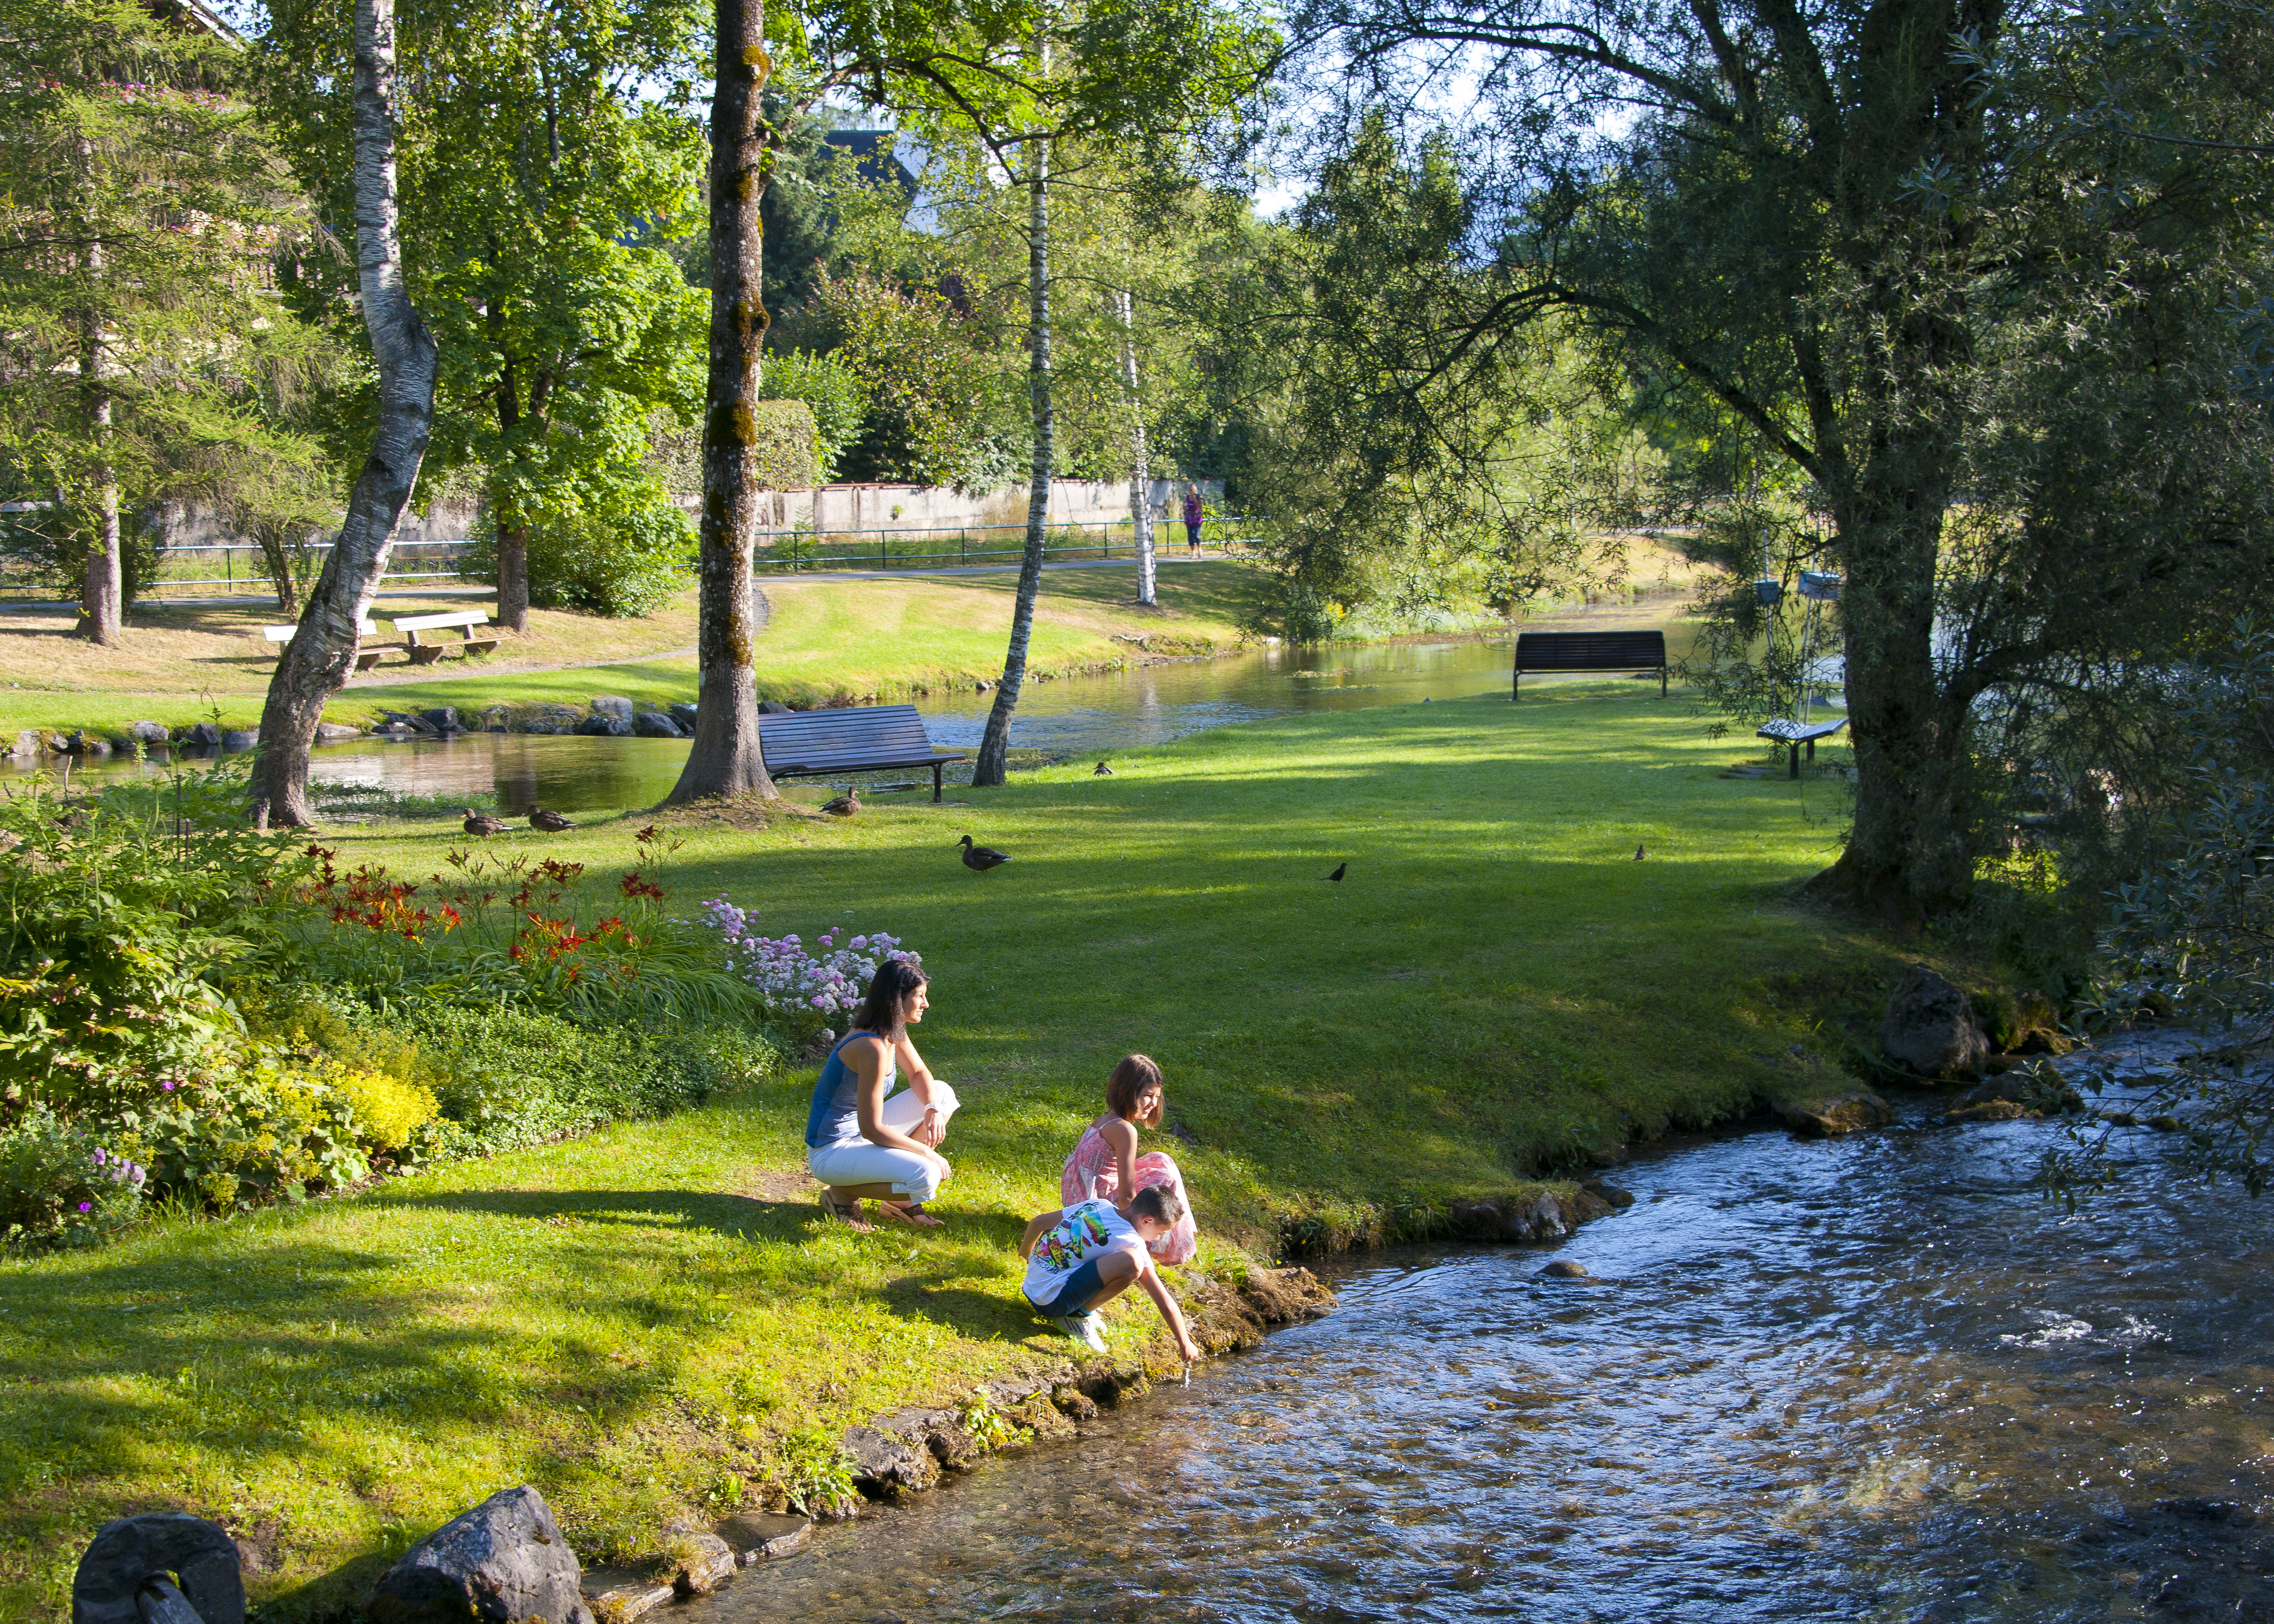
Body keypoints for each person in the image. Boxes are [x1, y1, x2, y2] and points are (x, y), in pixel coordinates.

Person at [805, 957, 958, 1230]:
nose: (926, 1004)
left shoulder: (890, 1030)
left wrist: (933, 1107)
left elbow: (918, 1073)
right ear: (898, 1000)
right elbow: (872, 1130)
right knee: (926, 1175)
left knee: (942, 1093)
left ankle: (897, 1203)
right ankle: (842, 1193)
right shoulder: (870, 1048)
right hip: (832, 1151)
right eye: (919, 997)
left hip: (857, 1136)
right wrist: (927, 1153)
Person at [1019, 1184, 1201, 1358]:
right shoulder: (1132, 1241)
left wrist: (1026, 1255)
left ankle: (1078, 1308)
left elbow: (1038, 1222)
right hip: (1051, 1302)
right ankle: (1076, 1318)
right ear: (1147, 1221)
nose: (1158, 1238)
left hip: (1032, 1286)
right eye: (1161, 1232)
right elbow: (1164, 1301)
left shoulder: (1098, 1204)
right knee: (1132, 1263)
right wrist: (1185, 1343)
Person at [1061, 1054, 1197, 1266]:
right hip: (1094, 1210)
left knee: (1161, 1160)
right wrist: (1130, 1229)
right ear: (1128, 1091)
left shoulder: (1106, 1119)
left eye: (1157, 1097)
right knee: (1165, 1179)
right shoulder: (1125, 1130)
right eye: (1147, 1095)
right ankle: (1166, 1246)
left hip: (1077, 1197)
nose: (1153, 1103)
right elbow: (1126, 1196)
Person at [1182, 484, 1204, 555]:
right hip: (1189, 518)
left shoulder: (1199, 497)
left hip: (1197, 518)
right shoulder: (1187, 497)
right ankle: (1193, 552)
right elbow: (1186, 506)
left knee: (1196, 536)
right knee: (1190, 536)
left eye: (1191, 489)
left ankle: (1200, 548)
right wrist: (1184, 507)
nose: (1190, 491)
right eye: (1189, 489)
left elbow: (1201, 508)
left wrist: (1195, 500)